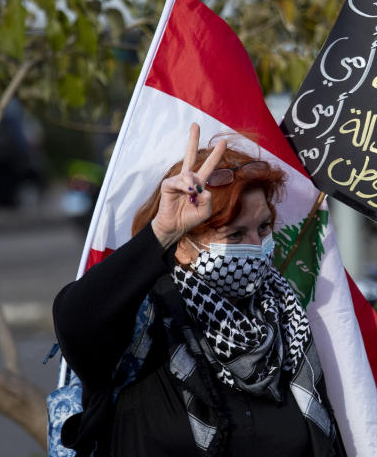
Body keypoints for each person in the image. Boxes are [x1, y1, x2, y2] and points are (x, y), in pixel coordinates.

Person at [53, 124, 346, 457]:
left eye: (263, 228)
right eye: (235, 235)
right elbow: (75, 320)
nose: (256, 246)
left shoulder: (288, 325)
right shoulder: (143, 323)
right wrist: (161, 232)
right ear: (183, 246)